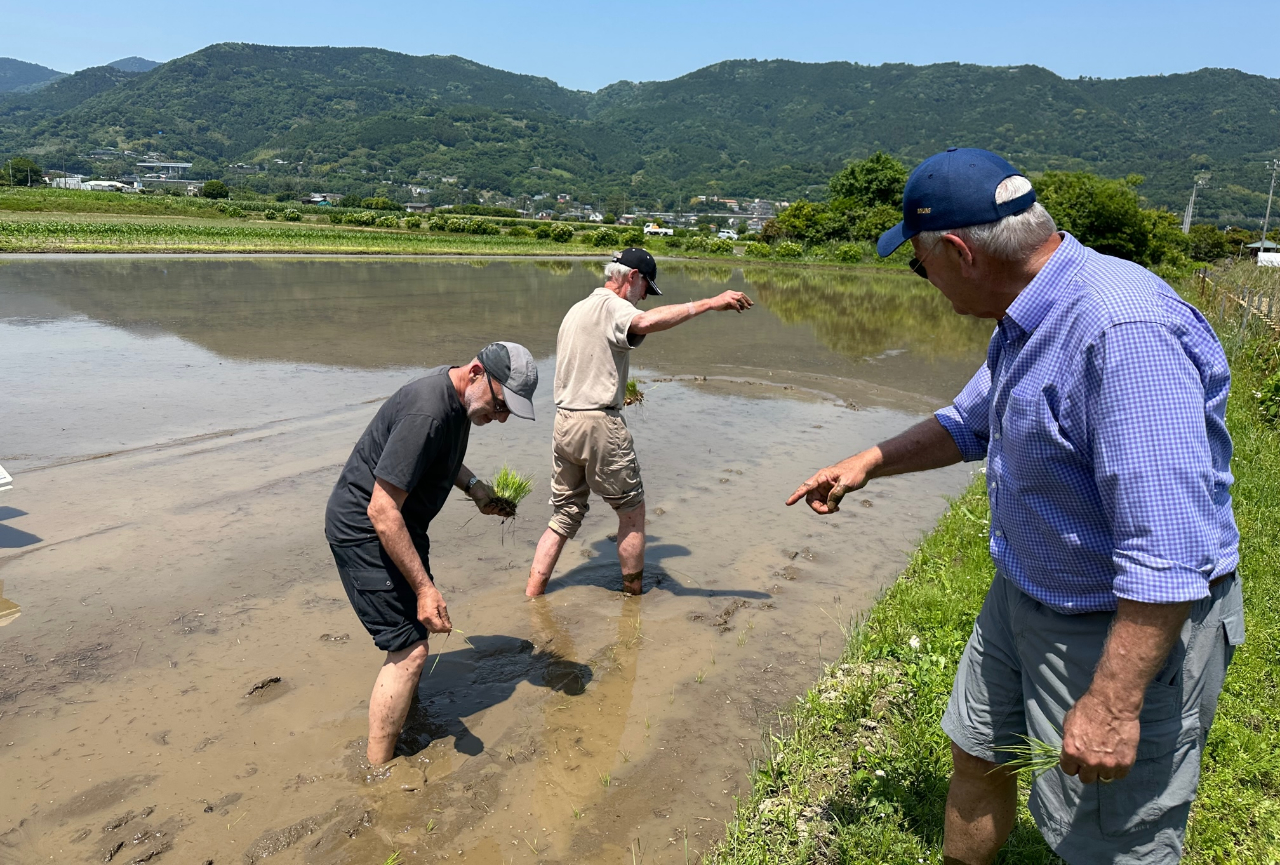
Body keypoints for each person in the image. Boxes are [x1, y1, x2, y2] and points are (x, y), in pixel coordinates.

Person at [788, 148, 1243, 865]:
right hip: (1027, 591)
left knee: (1112, 839)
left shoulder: (1122, 333)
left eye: (920, 267)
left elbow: (1167, 550)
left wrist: (1114, 701)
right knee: (979, 753)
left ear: (961, 252)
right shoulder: (1029, 313)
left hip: (1117, 620)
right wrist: (867, 462)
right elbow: (970, 421)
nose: (924, 283)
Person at [325, 342, 539, 764]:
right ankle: (379, 768)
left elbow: (439, 457)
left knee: (414, 635)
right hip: (367, 530)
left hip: (401, 525)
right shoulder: (428, 412)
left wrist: (476, 489)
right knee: (410, 649)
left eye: (508, 412)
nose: (500, 418)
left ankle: (404, 713)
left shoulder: (458, 400)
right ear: (476, 373)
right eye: (500, 405)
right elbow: (380, 510)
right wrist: (424, 588)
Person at [525, 247, 754, 596]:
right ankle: (633, 600)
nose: (644, 296)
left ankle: (532, 594)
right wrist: (709, 303)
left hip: (564, 422)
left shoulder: (576, 309)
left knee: (564, 515)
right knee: (632, 512)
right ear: (632, 277)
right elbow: (644, 322)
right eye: (646, 287)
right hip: (598, 424)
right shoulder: (613, 306)